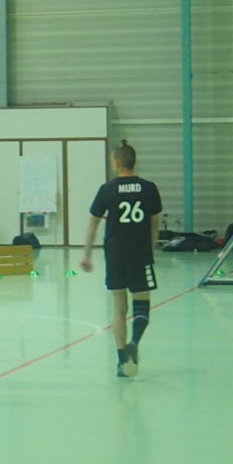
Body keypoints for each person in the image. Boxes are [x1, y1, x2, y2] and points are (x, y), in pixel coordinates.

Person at [79, 141, 162, 377]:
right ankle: (134, 343)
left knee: (119, 309)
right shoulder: (149, 188)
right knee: (142, 306)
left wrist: (87, 254)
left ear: (116, 163)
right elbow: (154, 223)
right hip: (140, 254)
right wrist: (150, 249)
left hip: (115, 255)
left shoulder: (108, 189)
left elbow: (93, 222)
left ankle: (121, 361)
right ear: (134, 162)